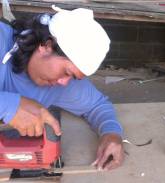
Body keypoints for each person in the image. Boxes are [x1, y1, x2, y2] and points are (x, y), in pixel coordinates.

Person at [0, 5, 124, 170]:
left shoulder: (62, 84)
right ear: (46, 46)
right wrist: (9, 105)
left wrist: (111, 133)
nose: (64, 82)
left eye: (73, 77)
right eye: (66, 71)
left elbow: (98, 105)